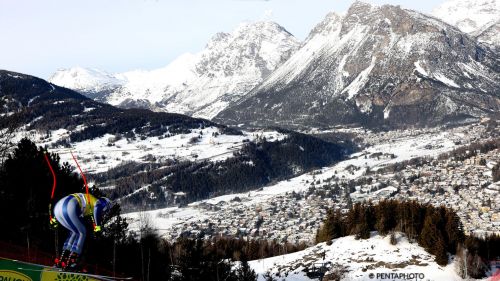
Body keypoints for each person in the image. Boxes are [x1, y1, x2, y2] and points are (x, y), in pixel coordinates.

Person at [51, 193, 111, 270]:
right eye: (105, 211)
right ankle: (72, 261)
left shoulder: (90, 201)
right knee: (82, 232)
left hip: (58, 207)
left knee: (74, 232)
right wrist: (98, 226)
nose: (104, 213)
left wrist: (54, 219)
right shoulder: (98, 202)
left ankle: (62, 260)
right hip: (70, 204)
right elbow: (97, 208)